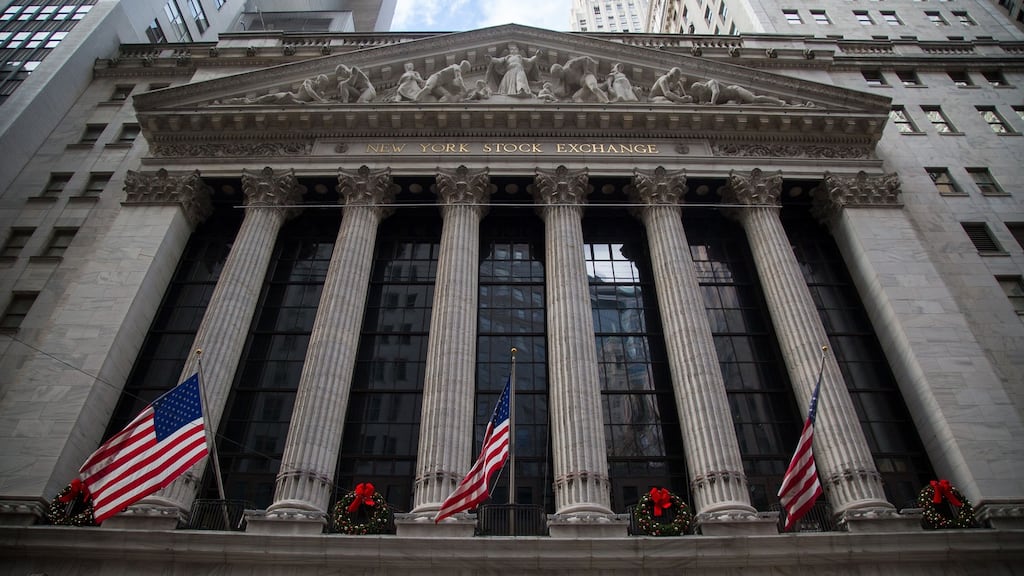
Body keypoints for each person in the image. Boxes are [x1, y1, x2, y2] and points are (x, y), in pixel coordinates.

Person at [689, 78, 787, 106]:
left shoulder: (711, 83)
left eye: (700, 91)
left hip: (736, 92)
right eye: (699, 93)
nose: (701, 93)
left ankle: (778, 102)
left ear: (701, 86)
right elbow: (701, 105)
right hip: (730, 101)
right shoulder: (703, 95)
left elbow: (716, 92)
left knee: (754, 99)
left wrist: (712, 103)